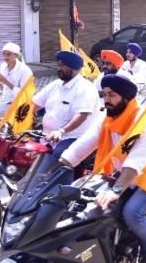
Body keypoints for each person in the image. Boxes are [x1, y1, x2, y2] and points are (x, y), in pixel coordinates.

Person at [57, 73, 146, 263]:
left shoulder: (145, 119)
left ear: (126, 97)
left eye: (112, 95)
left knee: (132, 213)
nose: (106, 99)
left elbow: (136, 158)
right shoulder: (108, 119)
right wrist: (57, 167)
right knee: (80, 204)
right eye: (104, 94)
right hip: (124, 178)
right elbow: (83, 145)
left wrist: (117, 189)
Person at [31, 51, 101, 184]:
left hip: (73, 137)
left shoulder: (86, 88)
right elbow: (33, 104)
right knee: (23, 149)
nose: (59, 68)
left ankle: (60, 194)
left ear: (73, 68)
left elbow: (81, 116)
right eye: (59, 65)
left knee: (59, 157)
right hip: (47, 136)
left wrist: (61, 131)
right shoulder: (55, 85)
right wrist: (10, 118)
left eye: (63, 66)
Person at [0, 42, 33, 118]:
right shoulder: (3, 66)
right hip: (3, 101)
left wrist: (5, 81)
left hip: (18, 103)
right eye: (3, 54)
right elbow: (2, 89)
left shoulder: (25, 70)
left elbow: (25, 94)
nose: (5, 57)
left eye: (8, 54)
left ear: (16, 55)